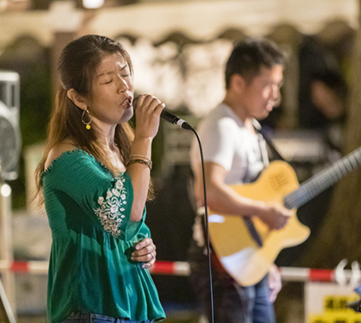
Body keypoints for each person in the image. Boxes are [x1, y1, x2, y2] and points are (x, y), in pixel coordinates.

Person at [35, 34, 166, 323]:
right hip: (91, 309)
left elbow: (131, 224)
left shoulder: (122, 152)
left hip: (128, 305)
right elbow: (123, 211)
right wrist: (145, 136)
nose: (124, 86)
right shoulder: (67, 157)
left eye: (125, 73)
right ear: (78, 97)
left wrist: (145, 247)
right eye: (108, 80)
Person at [188, 38, 293, 323]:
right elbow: (208, 191)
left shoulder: (251, 129)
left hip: (248, 258)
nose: (275, 96)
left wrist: (265, 260)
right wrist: (263, 212)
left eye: (278, 85)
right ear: (238, 84)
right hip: (221, 259)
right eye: (267, 85)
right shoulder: (222, 126)